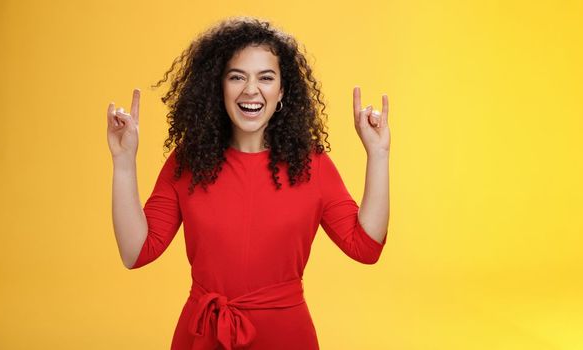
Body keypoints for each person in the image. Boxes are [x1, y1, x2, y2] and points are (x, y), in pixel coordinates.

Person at [106, 17, 390, 350]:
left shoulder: (312, 165)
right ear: (219, 86)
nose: (251, 90)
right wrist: (123, 163)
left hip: (286, 337)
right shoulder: (188, 163)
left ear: (282, 90)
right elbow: (136, 252)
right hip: (202, 335)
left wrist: (379, 153)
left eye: (265, 78)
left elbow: (366, 248)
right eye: (237, 77)